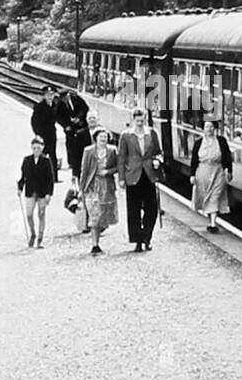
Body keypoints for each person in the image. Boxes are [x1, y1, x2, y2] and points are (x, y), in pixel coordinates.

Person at [117, 107, 163, 252]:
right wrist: (121, 178)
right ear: (133, 120)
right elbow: (121, 157)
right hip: (133, 175)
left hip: (149, 175)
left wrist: (157, 161)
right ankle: (138, 240)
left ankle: (147, 236)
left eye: (142, 120)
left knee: (152, 209)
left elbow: (159, 152)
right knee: (134, 209)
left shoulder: (152, 134)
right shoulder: (126, 136)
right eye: (137, 120)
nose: (140, 123)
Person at [80, 127, 119, 255]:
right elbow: (84, 171)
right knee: (94, 216)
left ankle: (98, 231)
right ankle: (95, 245)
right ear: (95, 138)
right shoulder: (88, 151)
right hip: (92, 187)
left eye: (105, 137)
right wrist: (82, 190)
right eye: (101, 137)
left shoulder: (112, 150)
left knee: (105, 216)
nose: (103, 139)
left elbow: (118, 166)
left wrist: (108, 172)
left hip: (107, 187)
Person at [190, 117, 233, 232]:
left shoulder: (221, 141)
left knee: (215, 196)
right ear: (203, 129)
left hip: (217, 171)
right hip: (203, 172)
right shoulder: (198, 142)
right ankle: (211, 220)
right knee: (206, 196)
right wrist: (192, 175)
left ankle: (213, 224)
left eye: (211, 126)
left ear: (215, 128)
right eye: (206, 127)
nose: (209, 129)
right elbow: (194, 159)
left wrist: (229, 171)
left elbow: (227, 157)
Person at [17, 135, 55, 248]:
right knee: (28, 214)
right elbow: (23, 176)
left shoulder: (46, 160)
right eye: (34, 148)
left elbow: (50, 179)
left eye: (38, 148)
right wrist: (20, 188)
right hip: (30, 191)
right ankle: (33, 233)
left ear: (42, 148)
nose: (36, 150)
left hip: (42, 192)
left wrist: (49, 194)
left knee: (41, 214)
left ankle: (40, 238)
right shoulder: (27, 160)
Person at [56, 88, 90, 176]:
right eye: (62, 99)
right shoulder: (60, 104)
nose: (63, 100)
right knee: (70, 144)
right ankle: (72, 162)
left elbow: (85, 108)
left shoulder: (76, 99)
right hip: (70, 128)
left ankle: (83, 161)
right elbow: (58, 117)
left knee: (82, 144)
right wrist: (65, 125)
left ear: (68, 96)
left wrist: (79, 118)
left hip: (80, 126)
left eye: (65, 98)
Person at [30, 85, 60, 175]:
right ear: (44, 96)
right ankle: (38, 174)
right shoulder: (39, 107)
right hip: (42, 134)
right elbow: (34, 121)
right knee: (41, 154)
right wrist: (37, 134)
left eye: (51, 95)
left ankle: (54, 176)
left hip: (52, 133)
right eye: (47, 95)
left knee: (53, 154)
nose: (50, 97)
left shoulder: (55, 106)